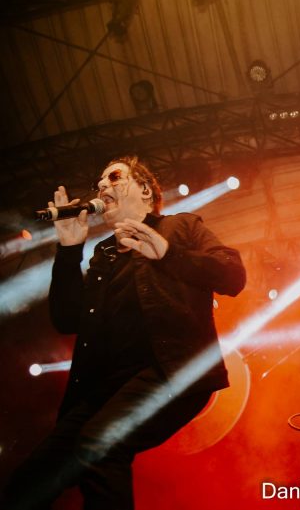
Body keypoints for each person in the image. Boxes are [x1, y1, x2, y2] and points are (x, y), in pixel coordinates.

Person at [2, 155, 246, 509]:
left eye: (114, 178)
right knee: (27, 484)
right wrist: (69, 253)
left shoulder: (180, 227)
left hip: (168, 372)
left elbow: (233, 275)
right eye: (98, 183)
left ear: (145, 190)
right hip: (101, 389)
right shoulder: (103, 255)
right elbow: (66, 320)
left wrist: (168, 252)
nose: (102, 186)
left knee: (98, 444)